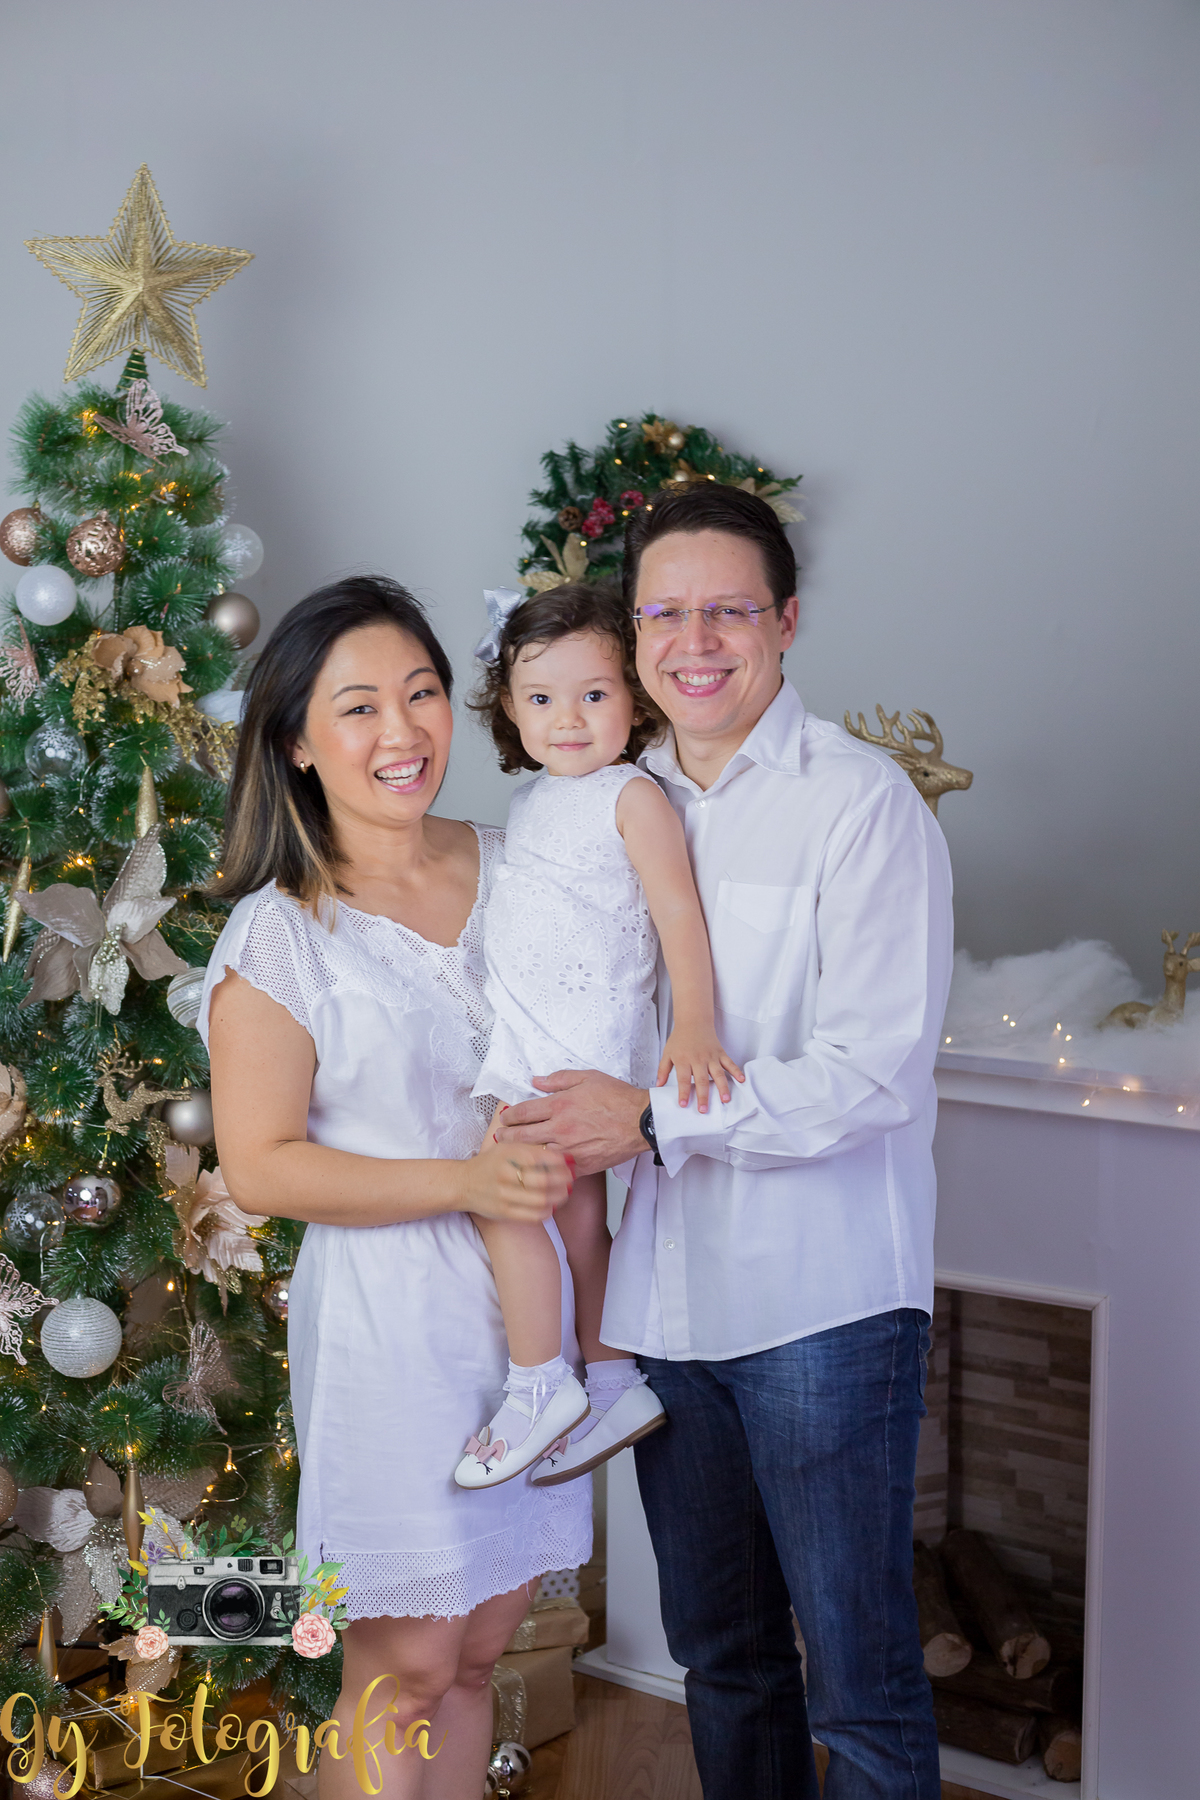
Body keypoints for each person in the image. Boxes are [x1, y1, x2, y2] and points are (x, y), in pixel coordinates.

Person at [499, 487, 954, 1799]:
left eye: (727, 610)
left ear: (786, 623)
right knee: (724, 1662)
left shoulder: (861, 810)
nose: (694, 641)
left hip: (823, 1307)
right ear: (630, 633)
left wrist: (649, 1117)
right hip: (662, 1312)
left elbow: (870, 1074)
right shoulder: (596, 804)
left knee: (858, 1685)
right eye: (664, 612)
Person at [201, 575, 591, 1800]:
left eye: (421, 694)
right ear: (297, 744)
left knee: (484, 1652)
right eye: (359, 706)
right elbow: (261, 1166)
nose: (403, 731)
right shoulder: (280, 936)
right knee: (408, 1662)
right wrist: (471, 1179)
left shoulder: (521, 862)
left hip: (525, 1329)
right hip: (388, 1332)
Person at [456, 582, 741, 1491]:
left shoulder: (633, 797)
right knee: (579, 1225)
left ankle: (540, 1384)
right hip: (534, 1032)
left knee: (503, 1199)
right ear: (509, 708)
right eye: (541, 699)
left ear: (636, 699)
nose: (568, 719)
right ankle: (614, 1378)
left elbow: (679, 919)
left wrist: (693, 1023)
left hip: (577, 1047)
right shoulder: (538, 800)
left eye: (594, 694)